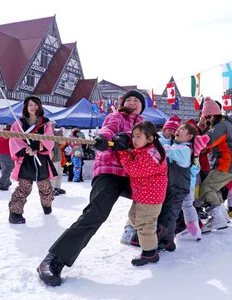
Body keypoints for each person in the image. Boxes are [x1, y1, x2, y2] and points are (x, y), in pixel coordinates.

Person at [37, 90, 145, 286]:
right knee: (96, 214)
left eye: (136, 100)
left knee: (161, 194)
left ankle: (154, 236)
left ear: (142, 106)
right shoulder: (116, 116)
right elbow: (108, 129)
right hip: (109, 172)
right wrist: (106, 139)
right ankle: (53, 260)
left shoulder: (144, 125)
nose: (132, 102)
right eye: (128, 99)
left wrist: (128, 138)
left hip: (132, 174)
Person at [118, 121, 167, 266]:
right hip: (143, 194)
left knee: (145, 224)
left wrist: (121, 153)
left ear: (150, 139)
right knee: (133, 217)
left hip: (150, 196)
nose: (134, 140)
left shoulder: (151, 155)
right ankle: (157, 233)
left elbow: (133, 170)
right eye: (133, 136)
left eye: (138, 136)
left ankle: (150, 253)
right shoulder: (147, 150)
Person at [8, 95, 57, 224]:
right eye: (30, 105)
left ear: (39, 106)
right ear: (26, 107)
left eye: (35, 104)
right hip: (26, 160)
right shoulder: (18, 124)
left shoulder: (46, 123)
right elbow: (14, 140)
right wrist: (25, 150)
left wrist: (37, 147)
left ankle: (47, 204)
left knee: (45, 186)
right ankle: (15, 213)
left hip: (41, 158)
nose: (33, 107)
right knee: (24, 187)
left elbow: (49, 139)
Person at [198, 97, 232, 233]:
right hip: (230, 163)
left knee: (207, 187)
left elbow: (208, 140)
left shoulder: (221, 126)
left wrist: (191, 140)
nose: (207, 121)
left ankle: (217, 219)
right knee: (214, 188)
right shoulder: (225, 124)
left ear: (212, 115)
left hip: (227, 163)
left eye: (207, 117)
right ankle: (222, 217)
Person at [50, 122, 66, 196]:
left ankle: (57, 187)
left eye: (53, 125)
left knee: (59, 173)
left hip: (58, 154)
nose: (52, 126)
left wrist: (61, 133)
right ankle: (51, 189)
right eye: (51, 125)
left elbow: (63, 142)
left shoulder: (56, 133)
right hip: (51, 154)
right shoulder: (47, 133)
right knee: (53, 173)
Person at [0, 124, 15, 191]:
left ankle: (7, 182)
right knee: (7, 170)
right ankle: (2, 185)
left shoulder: (0, 134)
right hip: (8, 154)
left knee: (5, 169)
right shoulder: (11, 135)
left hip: (0, 154)